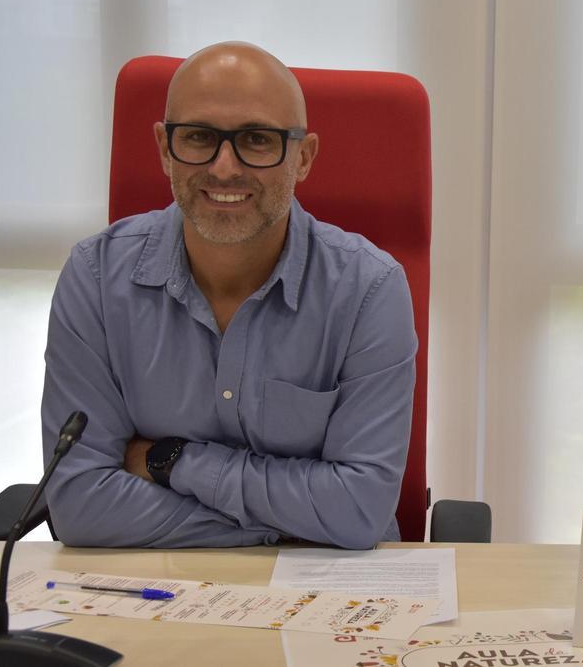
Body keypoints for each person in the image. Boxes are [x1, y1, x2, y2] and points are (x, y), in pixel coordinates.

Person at [40, 42, 416, 549]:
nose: (222, 168)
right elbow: (81, 506)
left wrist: (170, 461)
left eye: (256, 140)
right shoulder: (95, 278)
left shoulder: (370, 290)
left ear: (303, 158)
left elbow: (357, 509)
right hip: (151, 593)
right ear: (163, 148)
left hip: (330, 596)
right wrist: (289, 524)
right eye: (198, 137)